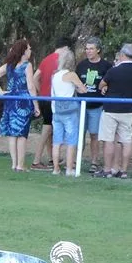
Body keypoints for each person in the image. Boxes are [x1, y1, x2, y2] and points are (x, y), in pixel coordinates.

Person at [0, 39, 37, 172]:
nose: (30, 50)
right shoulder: (27, 65)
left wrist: (1, 92)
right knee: (21, 134)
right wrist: (36, 105)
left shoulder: (9, 65)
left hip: (10, 100)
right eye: (29, 48)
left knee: (12, 133)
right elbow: (31, 86)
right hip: (23, 101)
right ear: (23, 51)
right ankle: (20, 165)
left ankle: (14, 164)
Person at [96, 43, 132, 178]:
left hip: (111, 109)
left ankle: (107, 170)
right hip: (127, 109)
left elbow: (101, 84)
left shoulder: (114, 71)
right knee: (126, 141)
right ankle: (123, 171)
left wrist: (106, 87)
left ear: (122, 55)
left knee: (108, 140)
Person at [31, 35, 70, 170]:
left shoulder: (46, 59)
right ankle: (36, 160)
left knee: (49, 129)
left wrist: (41, 90)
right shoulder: (62, 61)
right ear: (66, 48)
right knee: (47, 129)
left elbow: (35, 77)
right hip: (53, 99)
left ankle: (52, 158)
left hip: (44, 98)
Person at [49, 47, 86, 175]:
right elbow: (83, 89)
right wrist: (78, 88)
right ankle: (69, 169)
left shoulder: (55, 76)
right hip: (69, 112)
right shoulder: (71, 75)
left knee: (57, 141)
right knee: (71, 141)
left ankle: (56, 169)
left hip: (56, 111)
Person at [76, 38, 111, 171]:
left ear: (98, 50)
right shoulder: (81, 65)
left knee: (94, 134)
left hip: (97, 106)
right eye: (87, 48)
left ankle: (94, 162)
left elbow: (110, 82)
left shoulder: (106, 66)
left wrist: (105, 87)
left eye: (91, 49)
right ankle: (76, 161)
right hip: (81, 105)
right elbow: (75, 82)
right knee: (80, 134)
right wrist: (78, 88)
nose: (88, 51)